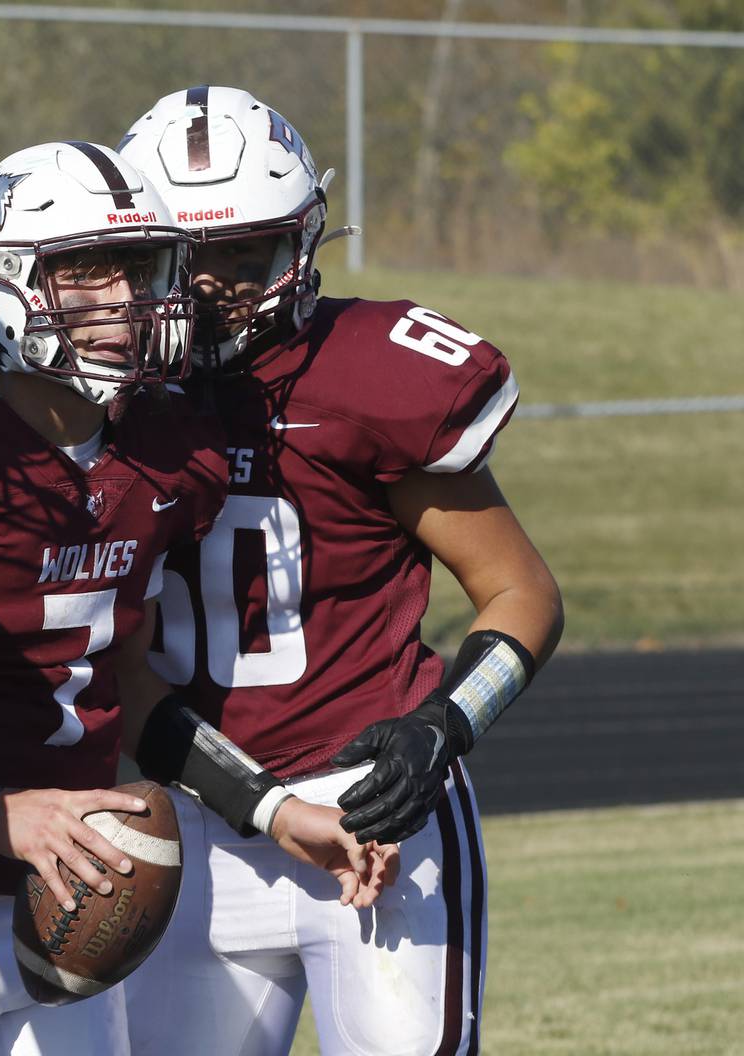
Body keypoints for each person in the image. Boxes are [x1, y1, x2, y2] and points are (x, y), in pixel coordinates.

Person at [0, 141, 394, 1056]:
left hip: (83, 902)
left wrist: (279, 813)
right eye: (86, 272)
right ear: (3, 282)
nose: (126, 301)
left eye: (139, 270)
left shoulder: (167, 455)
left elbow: (128, 685)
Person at [115, 86, 566, 1056]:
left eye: (249, 252)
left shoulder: (370, 376)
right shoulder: (103, 396)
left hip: (376, 811)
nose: (217, 287)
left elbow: (520, 591)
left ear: (307, 240)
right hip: (188, 819)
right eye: (190, 260)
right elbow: (109, 653)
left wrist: (445, 725)